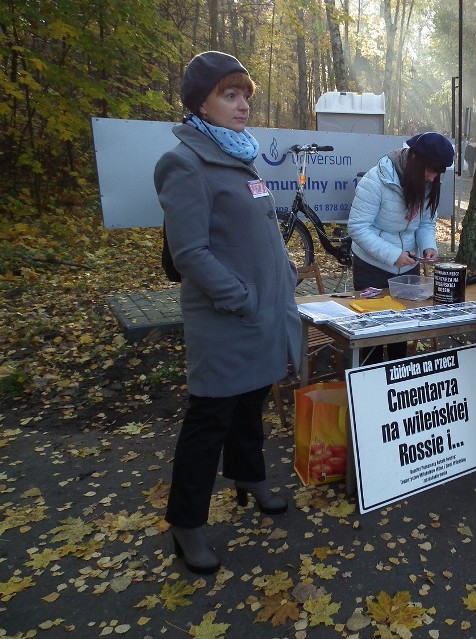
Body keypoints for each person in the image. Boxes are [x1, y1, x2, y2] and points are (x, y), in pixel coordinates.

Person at [154, 51, 302, 574]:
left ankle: (249, 476)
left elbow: (259, 231)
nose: (242, 106)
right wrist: (239, 296)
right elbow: (190, 251)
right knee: (210, 418)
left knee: (250, 402)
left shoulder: (241, 157)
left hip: (263, 312)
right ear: (200, 103)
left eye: (245, 96)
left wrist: (282, 276)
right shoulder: (185, 162)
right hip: (225, 318)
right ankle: (186, 524)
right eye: (229, 95)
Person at [347, 131, 454, 362]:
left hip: (407, 269)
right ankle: (370, 385)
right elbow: (357, 228)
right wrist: (393, 254)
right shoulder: (375, 180)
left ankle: (397, 385)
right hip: (371, 267)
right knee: (372, 336)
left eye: (438, 173)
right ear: (414, 160)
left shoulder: (428, 184)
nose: (432, 178)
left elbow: (426, 222)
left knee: (401, 333)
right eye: (430, 171)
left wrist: (428, 246)